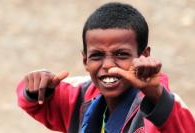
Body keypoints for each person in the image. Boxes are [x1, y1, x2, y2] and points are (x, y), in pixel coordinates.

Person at [16, 2, 195, 133]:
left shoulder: (162, 106)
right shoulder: (80, 94)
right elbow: (35, 102)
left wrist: (156, 95)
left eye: (121, 54)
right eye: (97, 55)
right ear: (85, 60)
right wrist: (35, 87)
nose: (108, 66)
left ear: (144, 56)